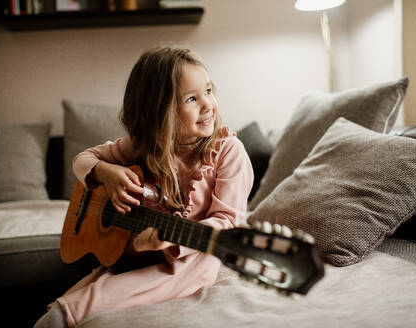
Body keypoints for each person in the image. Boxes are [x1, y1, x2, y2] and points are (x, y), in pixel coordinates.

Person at [34, 45, 254, 328]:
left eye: (209, 92)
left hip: (197, 256)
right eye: (191, 99)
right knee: (79, 295)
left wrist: (172, 237)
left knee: (75, 308)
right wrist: (106, 172)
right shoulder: (143, 147)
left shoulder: (227, 151)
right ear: (160, 111)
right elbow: (82, 161)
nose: (207, 105)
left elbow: (227, 223)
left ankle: (69, 313)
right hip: (140, 253)